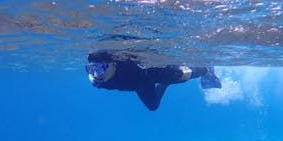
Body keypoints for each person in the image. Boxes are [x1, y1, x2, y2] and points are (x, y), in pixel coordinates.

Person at [86, 50, 222, 111]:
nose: (96, 74)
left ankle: (206, 69)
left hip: (149, 75)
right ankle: (166, 83)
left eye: (100, 69)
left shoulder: (138, 68)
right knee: (153, 106)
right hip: (138, 85)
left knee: (179, 75)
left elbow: (179, 74)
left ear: (113, 64)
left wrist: (196, 72)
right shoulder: (98, 81)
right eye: (91, 70)